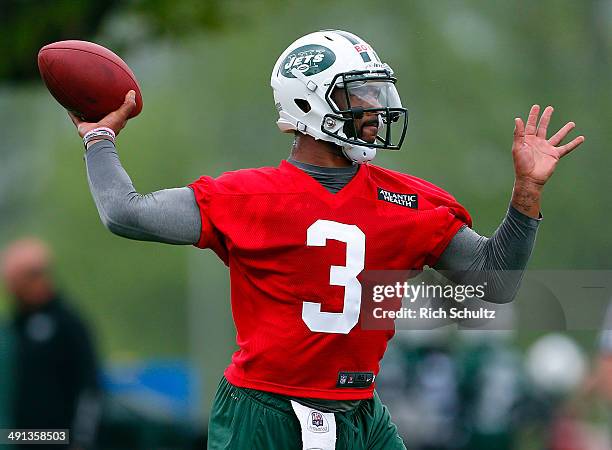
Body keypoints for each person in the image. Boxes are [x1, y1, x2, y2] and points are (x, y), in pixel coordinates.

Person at [68, 30, 584, 449]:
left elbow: (494, 282)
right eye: (359, 94)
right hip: (264, 412)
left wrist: (526, 195)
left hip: (361, 412)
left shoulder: (409, 202)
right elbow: (124, 213)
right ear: (311, 103)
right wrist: (99, 139)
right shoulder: (247, 196)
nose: (375, 108)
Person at [0, 238, 101, 450]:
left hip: (57, 439)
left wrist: (82, 440)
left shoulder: (68, 324)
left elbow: (88, 388)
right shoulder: (14, 327)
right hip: (20, 438)